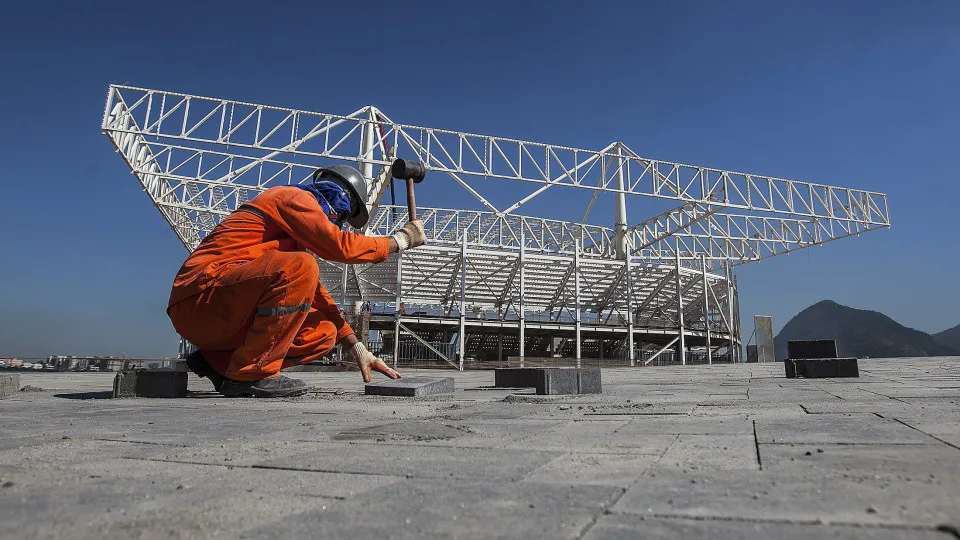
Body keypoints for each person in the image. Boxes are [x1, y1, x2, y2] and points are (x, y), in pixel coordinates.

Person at [166, 165, 427, 397]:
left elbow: (317, 295)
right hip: (200, 297)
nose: (340, 221)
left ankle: (219, 364)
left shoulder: (290, 243)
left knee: (323, 334)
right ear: (339, 194)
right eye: (343, 214)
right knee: (302, 266)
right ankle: (253, 371)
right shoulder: (293, 198)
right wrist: (400, 240)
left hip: (219, 314)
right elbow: (339, 247)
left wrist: (356, 346)